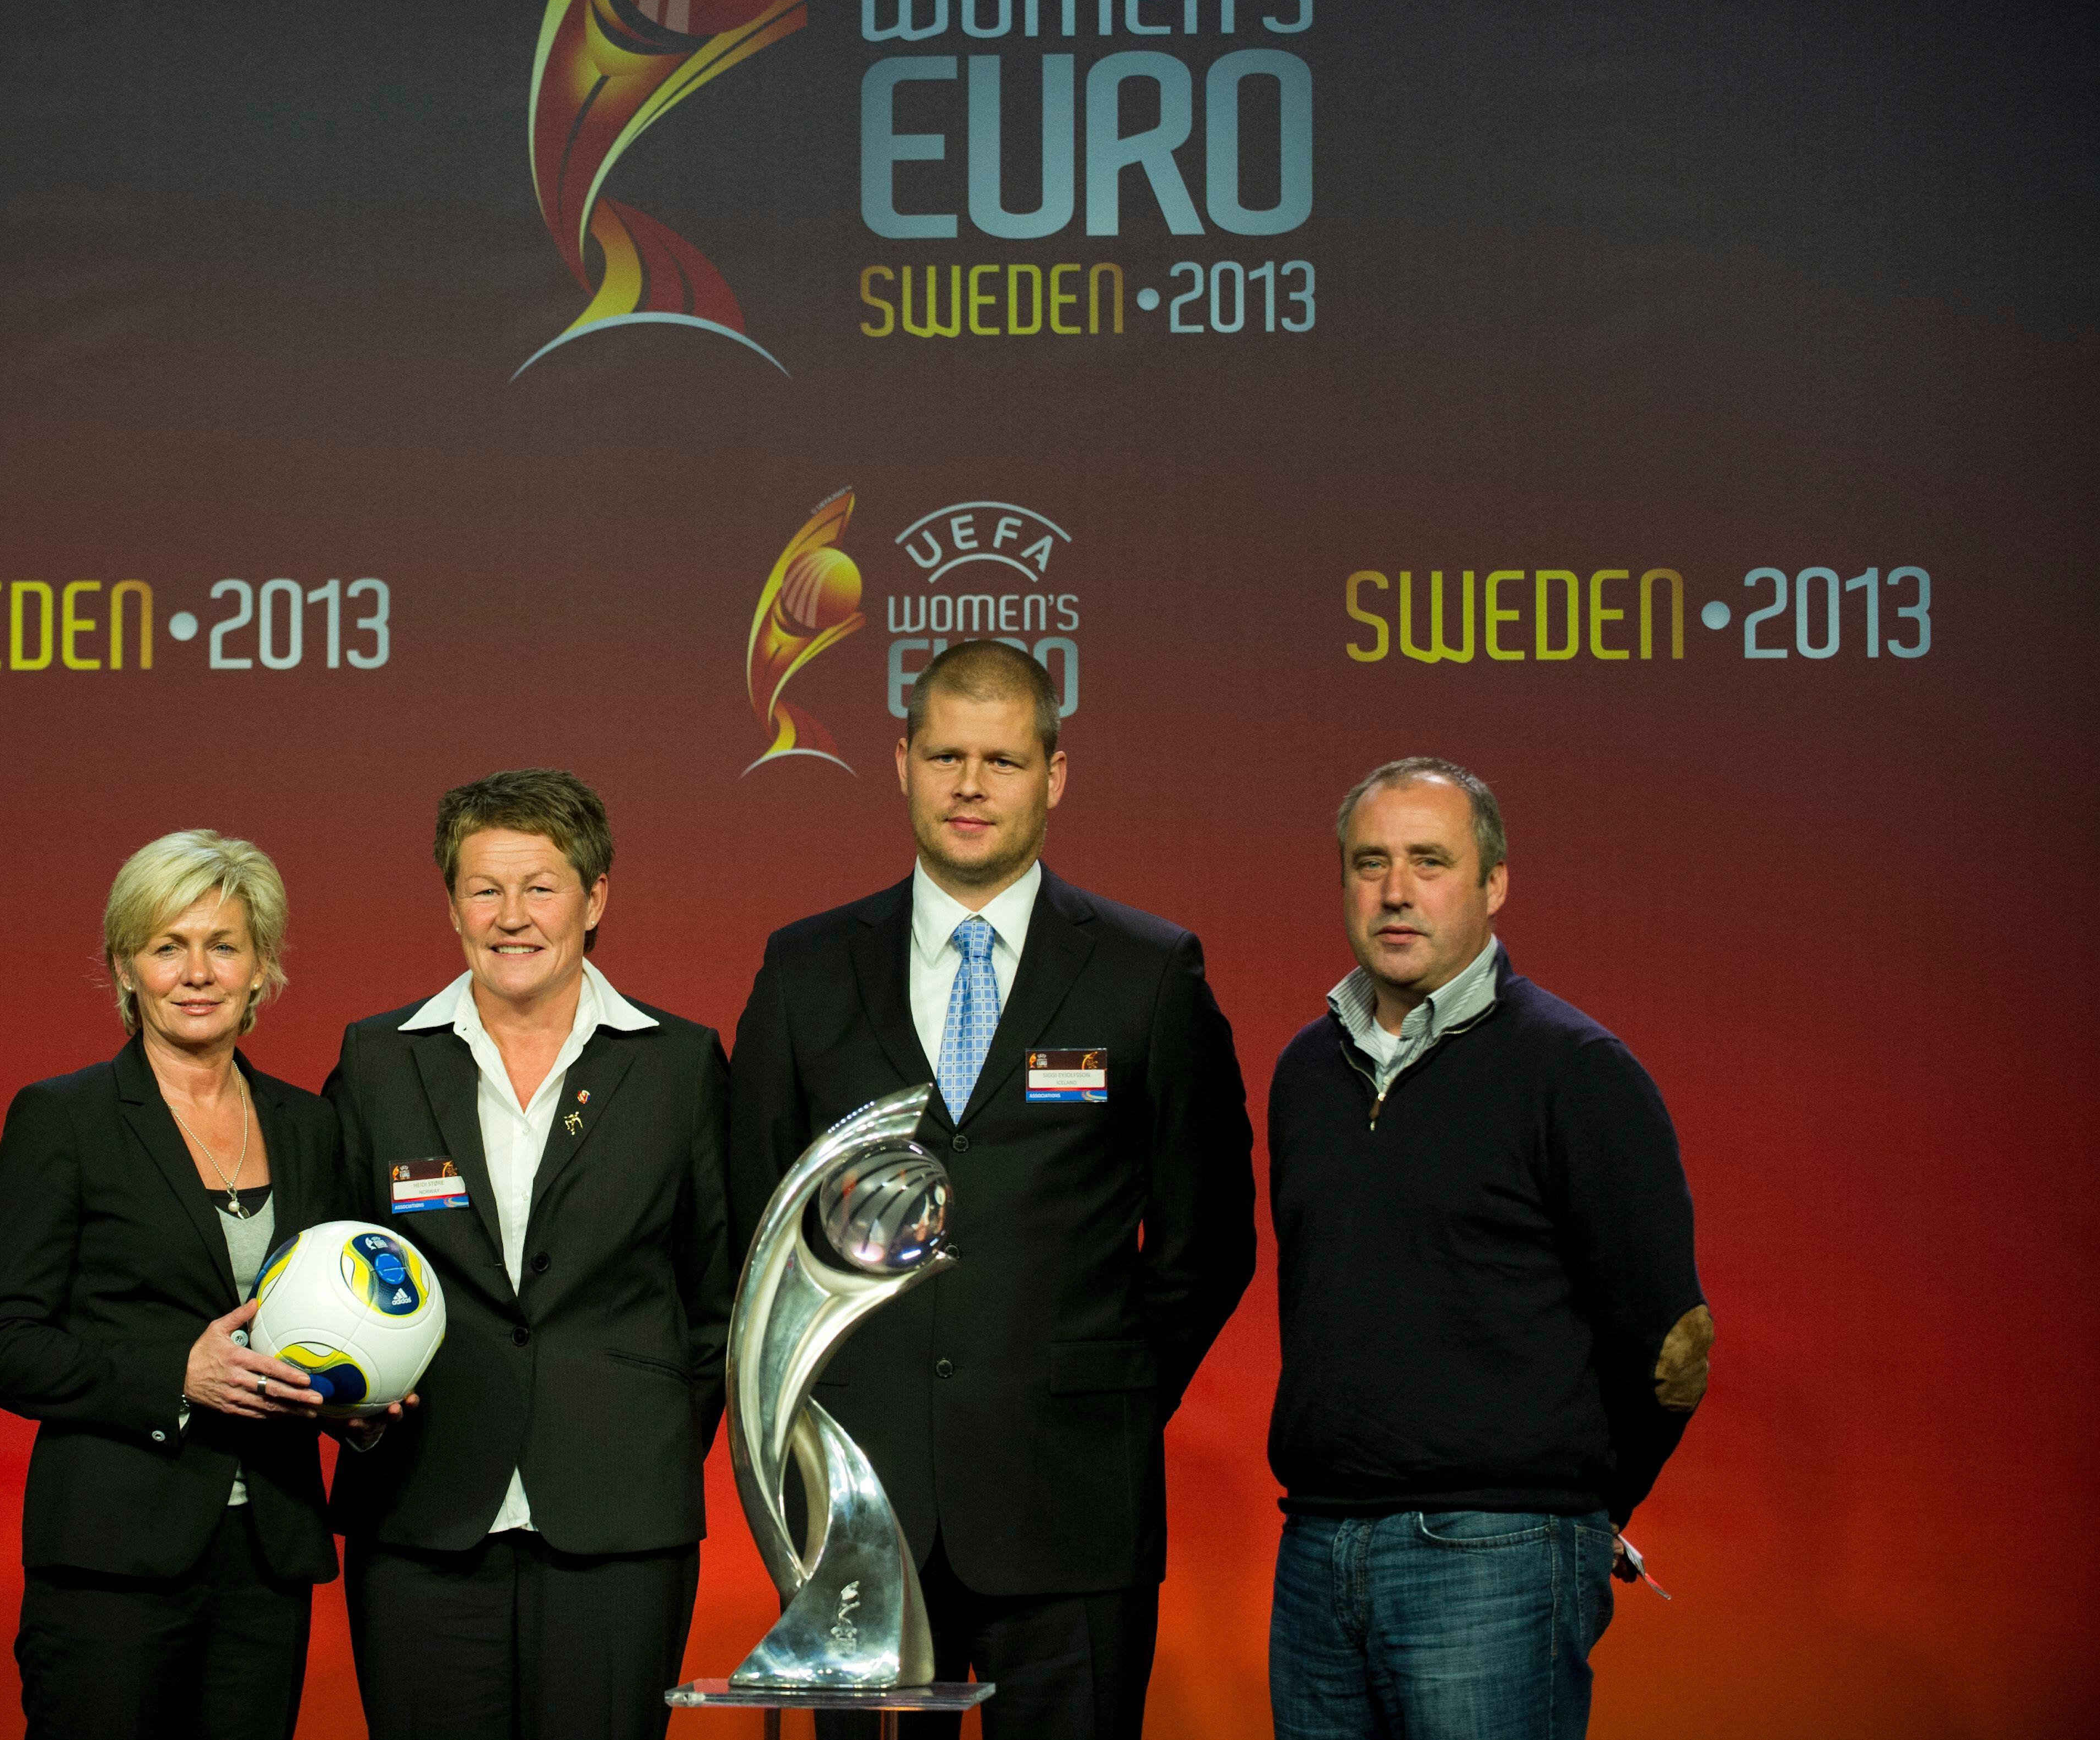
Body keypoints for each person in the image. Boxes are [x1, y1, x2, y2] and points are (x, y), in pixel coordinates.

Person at [729, 640, 1257, 1739]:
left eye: (1003, 761)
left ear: (1053, 776)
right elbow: (757, 1228)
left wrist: (1100, 1393)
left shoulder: (1148, 971)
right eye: (946, 755)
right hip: (860, 1512)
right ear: (901, 762)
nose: (970, 785)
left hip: (1070, 1502)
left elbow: (1205, 1240)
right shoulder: (804, 969)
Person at [1266, 758, 1714, 1740]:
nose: (1394, 890)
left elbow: (1669, 1343)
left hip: (1497, 1553)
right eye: (1369, 862)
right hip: (1314, 1546)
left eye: (1430, 860)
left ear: (1493, 881)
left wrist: (1568, 1503)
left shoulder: (1575, 1069)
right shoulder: (1304, 1070)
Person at [325, 769, 733, 1740]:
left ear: (595, 900)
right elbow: (331, 1262)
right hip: (422, 1509)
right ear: (452, 902)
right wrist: (356, 1410)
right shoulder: (379, 1059)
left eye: (541, 887)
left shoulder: (678, 1062)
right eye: (484, 888)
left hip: (619, 1515)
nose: (513, 917)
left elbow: (722, 1293)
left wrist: (652, 1429)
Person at [0, 830, 367, 1740]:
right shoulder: (62, 1118)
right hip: (112, 1561)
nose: (197, 972)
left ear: (261, 967)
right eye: (166, 946)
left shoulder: (309, 1126)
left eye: (223, 945)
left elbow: (320, 1318)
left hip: (266, 1557)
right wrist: (172, 1375)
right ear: (125, 966)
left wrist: (364, 1397)